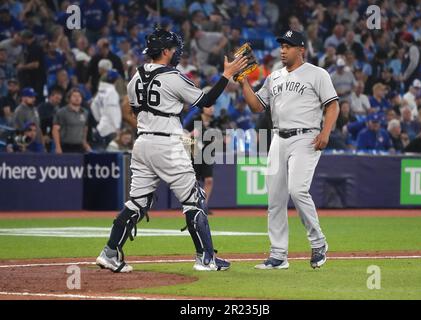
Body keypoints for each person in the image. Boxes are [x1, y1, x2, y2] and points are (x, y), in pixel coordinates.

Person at [95, 28, 247, 273]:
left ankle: (110, 252)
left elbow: (135, 111)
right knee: (194, 200)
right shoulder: (173, 76)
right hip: (167, 144)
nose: (176, 53)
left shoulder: (135, 78)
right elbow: (205, 102)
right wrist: (226, 75)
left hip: (142, 142)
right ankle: (206, 259)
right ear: (165, 51)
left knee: (137, 202)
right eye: (174, 49)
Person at [238, 30, 339, 270]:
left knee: (297, 190)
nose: (283, 50)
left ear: (301, 49)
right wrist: (243, 82)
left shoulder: (317, 74)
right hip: (278, 139)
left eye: (289, 46)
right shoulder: (274, 77)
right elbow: (256, 106)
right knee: (275, 199)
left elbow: (333, 105)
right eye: (282, 46)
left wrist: (326, 132)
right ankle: (278, 255)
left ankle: (318, 243)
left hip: (306, 138)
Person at [52, 88, 91, 153]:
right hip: (66, 147)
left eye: (79, 96)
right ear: (69, 98)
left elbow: (85, 128)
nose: (77, 98)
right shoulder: (62, 112)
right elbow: (55, 130)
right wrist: (58, 146)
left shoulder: (85, 112)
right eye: (74, 96)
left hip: (80, 147)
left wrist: (85, 143)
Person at [90, 69, 122, 150]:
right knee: (111, 155)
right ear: (116, 80)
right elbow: (112, 110)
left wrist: (99, 119)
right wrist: (117, 127)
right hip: (110, 129)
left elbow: (93, 106)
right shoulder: (112, 92)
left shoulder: (101, 91)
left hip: (101, 127)